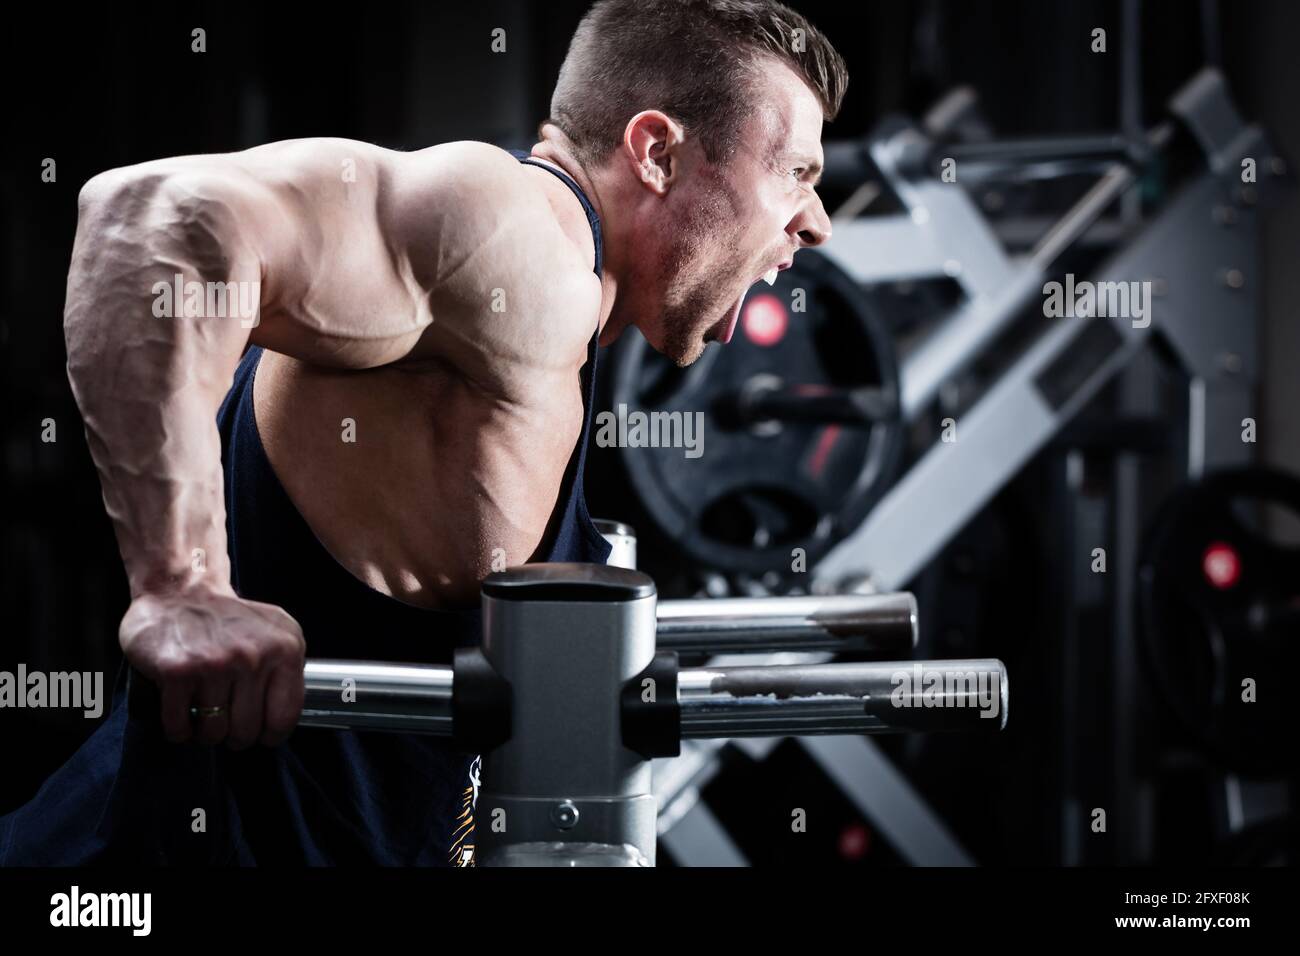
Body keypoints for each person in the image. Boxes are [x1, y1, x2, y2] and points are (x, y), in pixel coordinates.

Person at [0, 0, 842, 866]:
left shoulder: (561, 314)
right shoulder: (519, 237)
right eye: (795, 172)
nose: (816, 222)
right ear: (657, 151)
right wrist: (183, 588)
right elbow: (151, 216)